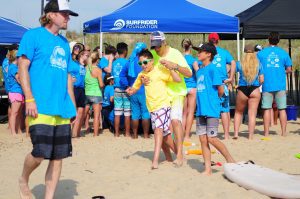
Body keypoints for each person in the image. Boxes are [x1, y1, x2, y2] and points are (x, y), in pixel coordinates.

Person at [17, 1, 78, 198]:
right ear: (51, 15)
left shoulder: (64, 44)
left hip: (62, 107)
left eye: (68, 14)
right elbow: (23, 67)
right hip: (40, 105)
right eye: (64, 13)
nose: (68, 17)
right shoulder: (32, 35)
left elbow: (68, 77)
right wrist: (29, 99)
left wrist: (73, 107)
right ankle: (23, 178)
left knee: (58, 156)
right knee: (40, 152)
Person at [126, 49, 181, 169]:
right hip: (152, 108)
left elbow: (178, 80)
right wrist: (130, 91)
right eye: (140, 63)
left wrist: (171, 68)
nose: (143, 65)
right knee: (165, 135)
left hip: (163, 106)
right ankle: (176, 155)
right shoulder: (141, 75)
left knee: (158, 132)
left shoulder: (159, 70)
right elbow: (134, 88)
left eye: (145, 62)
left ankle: (155, 161)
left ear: (151, 61)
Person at [150, 31, 192, 166]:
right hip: (160, 95)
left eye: (158, 46)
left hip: (177, 93)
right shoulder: (154, 56)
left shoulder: (175, 53)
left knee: (175, 120)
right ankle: (169, 156)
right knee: (160, 127)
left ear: (164, 42)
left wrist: (175, 66)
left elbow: (189, 73)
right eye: (154, 46)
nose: (156, 49)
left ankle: (179, 153)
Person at [194, 43, 235, 175]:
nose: (198, 53)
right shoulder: (200, 71)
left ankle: (230, 159)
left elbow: (221, 90)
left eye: (201, 51)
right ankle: (208, 169)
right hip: (200, 111)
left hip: (211, 110)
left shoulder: (213, 69)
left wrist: (214, 102)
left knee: (212, 139)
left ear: (208, 54)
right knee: (203, 139)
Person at [257, 32, 292, 137]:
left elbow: (256, 67)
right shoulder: (284, 53)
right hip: (280, 85)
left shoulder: (261, 53)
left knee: (266, 108)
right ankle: (283, 133)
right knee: (282, 109)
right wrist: (281, 71)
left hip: (267, 85)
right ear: (279, 40)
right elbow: (289, 69)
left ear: (268, 39)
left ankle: (266, 133)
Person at [208, 33, 236, 140]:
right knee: (224, 110)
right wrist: (231, 77)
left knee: (212, 110)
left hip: (211, 85)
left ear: (209, 41)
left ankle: (212, 133)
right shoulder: (224, 52)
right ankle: (227, 135)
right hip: (223, 83)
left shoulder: (206, 52)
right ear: (218, 40)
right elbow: (233, 62)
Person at [233, 44, 264, 139]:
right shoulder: (258, 64)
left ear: (245, 52)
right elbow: (262, 80)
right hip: (254, 89)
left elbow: (231, 73)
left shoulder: (240, 63)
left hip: (242, 88)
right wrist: (257, 85)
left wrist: (235, 84)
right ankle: (250, 136)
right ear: (254, 52)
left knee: (238, 112)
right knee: (252, 114)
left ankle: (236, 134)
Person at [127, 42, 150, 139]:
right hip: (144, 91)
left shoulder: (131, 60)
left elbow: (122, 75)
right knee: (145, 113)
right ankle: (145, 135)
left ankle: (135, 136)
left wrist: (126, 86)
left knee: (135, 114)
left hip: (133, 90)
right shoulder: (146, 61)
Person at [181, 38, 198, 143]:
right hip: (192, 87)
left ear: (183, 46)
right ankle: (187, 135)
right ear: (190, 46)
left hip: (182, 87)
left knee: (183, 113)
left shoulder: (180, 59)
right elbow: (198, 72)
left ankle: (182, 133)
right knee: (191, 112)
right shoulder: (193, 60)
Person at [112, 42, 131, 137]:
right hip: (126, 88)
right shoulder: (127, 62)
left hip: (116, 89)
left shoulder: (114, 63)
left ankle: (116, 133)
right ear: (125, 51)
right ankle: (127, 133)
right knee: (127, 112)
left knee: (117, 112)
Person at [85, 51, 104, 136]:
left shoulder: (86, 68)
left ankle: (77, 131)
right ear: (97, 60)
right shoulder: (98, 70)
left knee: (83, 114)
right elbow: (101, 84)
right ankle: (95, 134)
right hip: (96, 93)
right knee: (96, 116)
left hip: (87, 93)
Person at [71, 48, 89, 138]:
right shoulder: (74, 64)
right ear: (81, 56)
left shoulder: (85, 66)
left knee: (81, 111)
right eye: (86, 55)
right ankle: (70, 132)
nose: (87, 57)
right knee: (73, 111)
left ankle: (76, 133)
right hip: (74, 88)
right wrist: (71, 79)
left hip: (82, 89)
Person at [7, 48, 24, 135]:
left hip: (19, 91)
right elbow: (18, 78)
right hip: (15, 91)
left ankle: (18, 130)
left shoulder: (14, 67)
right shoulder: (13, 67)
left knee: (19, 113)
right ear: (17, 58)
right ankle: (13, 132)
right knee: (15, 113)